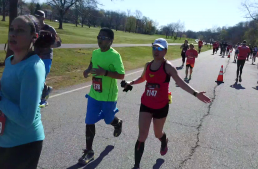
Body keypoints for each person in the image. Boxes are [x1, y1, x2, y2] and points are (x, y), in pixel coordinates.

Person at [123, 38, 211, 169]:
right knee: (142, 135)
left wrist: (196, 93)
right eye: (154, 48)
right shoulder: (148, 65)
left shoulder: (168, 66)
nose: (156, 51)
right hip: (146, 104)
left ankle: (163, 140)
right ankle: (136, 166)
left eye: (159, 48)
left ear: (165, 51)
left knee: (157, 133)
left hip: (161, 106)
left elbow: (180, 82)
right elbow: (143, 78)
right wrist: (131, 82)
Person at [0, 15, 54, 169]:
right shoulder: (10, 61)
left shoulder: (33, 67)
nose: (13, 34)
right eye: (11, 29)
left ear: (34, 37)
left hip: (23, 145)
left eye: (20, 30)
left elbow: (25, 119)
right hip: (5, 139)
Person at [78, 28, 125, 165]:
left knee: (108, 119)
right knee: (89, 120)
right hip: (94, 93)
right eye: (99, 37)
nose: (100, 40)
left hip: (109, 96)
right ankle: (89, 151)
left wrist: (104, 72)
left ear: (110, 41)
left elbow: (121, 75)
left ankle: (117, 123)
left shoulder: (115, 56)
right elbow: (92, 63)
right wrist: (87, 70)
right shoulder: (95, 52)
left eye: (103, 38)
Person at [34, 10, 62, 108]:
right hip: (35, 56)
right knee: (36, 77)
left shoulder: (50, 29)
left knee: (41, 77)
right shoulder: (32, 28)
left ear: (43, 18)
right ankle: (46, 90)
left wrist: (48, 44)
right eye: (35, 16)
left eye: (39, 17)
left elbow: (59, 43)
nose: (37, 18)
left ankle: (43, 99)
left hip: (46, 56)